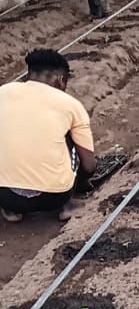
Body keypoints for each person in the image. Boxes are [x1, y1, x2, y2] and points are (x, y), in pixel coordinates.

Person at [0, 49, 97, 224]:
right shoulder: (71, 105)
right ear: (61, 80)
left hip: (4, 195)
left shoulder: (3, 92)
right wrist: (81, 182)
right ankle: (68, 205)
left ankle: (10, 209)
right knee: (69, 138)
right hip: (53, 197)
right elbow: (89, 166)